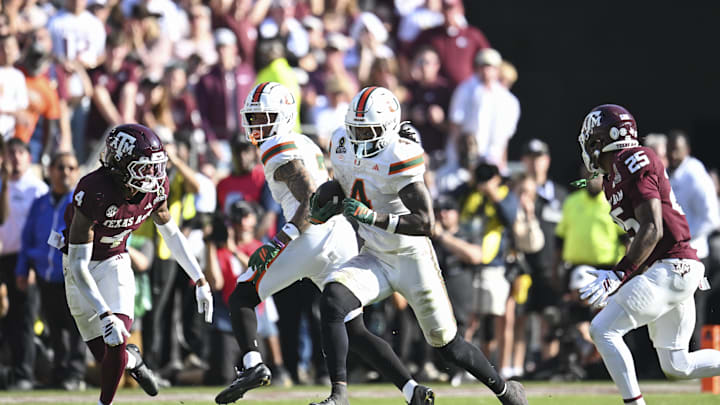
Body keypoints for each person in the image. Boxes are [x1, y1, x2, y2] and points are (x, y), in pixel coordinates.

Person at [309, 86, 527, 405]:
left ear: (387, 129)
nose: (357, 137)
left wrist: (373, 217)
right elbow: (344, 184)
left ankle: (506, 391)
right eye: (354, 128)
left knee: (448, 346)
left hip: (412, 259)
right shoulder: (341, 141)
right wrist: (324, 198)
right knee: (332, 301)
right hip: (375, 255)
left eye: (366, 130)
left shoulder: (400, 155)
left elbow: (426, 223)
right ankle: (339, 394)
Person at [214, 82, 358, 404]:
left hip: (309, 234)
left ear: (282, 116)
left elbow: (309, 198)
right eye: (252, 117)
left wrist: (282, 237)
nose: (256, 125)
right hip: (335, 232)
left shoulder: (276, 146)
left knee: (243, 292)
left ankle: (253, 364)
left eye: (263, 116)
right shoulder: (301, 141)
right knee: (353, 325)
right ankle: (405, 386)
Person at [576, 104, 720, 405]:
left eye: (592, 140)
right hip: (671, 269)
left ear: (601, 141)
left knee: (602, 330)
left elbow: (652, 228)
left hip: (673, 267)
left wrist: (618, 273)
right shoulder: (613, 176)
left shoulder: (632, 159)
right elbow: (643, 232)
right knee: (678, 365)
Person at [60, 124, 213, 405]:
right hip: (79, 266)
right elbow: (79, 264)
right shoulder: (94, 190)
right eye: (144, 168)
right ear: (121, 164)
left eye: (156, 167)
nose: (153, 176)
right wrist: (104, 314)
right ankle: (133, 361)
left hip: (116, 260)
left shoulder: (156, 190)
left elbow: (172, 235)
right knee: (106, 356)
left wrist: (200, 279)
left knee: (117, 335)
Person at [15, 152, 85, 390]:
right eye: (60, 167)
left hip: (73, 277)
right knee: (54, 329)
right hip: (46, 276)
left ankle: (74, 374)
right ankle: (58, 372)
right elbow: (28, 239)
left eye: (71, 167)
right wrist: (23, 268)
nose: (65, 172)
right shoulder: (40, 203)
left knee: (76, 328)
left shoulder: (81, 203)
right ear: (50, 171)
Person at [0, 138, 47, 389]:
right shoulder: (1, 184)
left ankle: (24, 373)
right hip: (2, 257)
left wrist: (31, 262)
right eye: (11, 153)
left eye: (20, 152)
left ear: (28, 157)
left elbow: (38, 230)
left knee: (25, 319)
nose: (16, 157)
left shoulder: (36, 189)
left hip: (24, 259)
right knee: (5, 321)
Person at [448, 48, 520, 172]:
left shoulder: (508, 100)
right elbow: (455, 127)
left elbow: (504, 138)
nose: (486, 71)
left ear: (497, 69)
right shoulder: (464, 90)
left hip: (493, 163)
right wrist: (457, 158)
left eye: (490, 67)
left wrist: (502, 164)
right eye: (483, 66)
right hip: (465, 163)